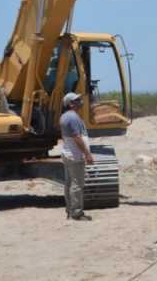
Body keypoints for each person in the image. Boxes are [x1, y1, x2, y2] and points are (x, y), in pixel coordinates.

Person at [60, 92, 95, 221]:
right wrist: (87, 154)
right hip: (75, 156)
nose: (81, 100)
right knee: (77, 184)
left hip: (68, 154)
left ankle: (70, 210)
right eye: (77, 99)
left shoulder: (66, 116)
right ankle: (76, 213)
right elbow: (77, 137)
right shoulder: (73, 118)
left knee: (69, 183)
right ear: (70, 104)